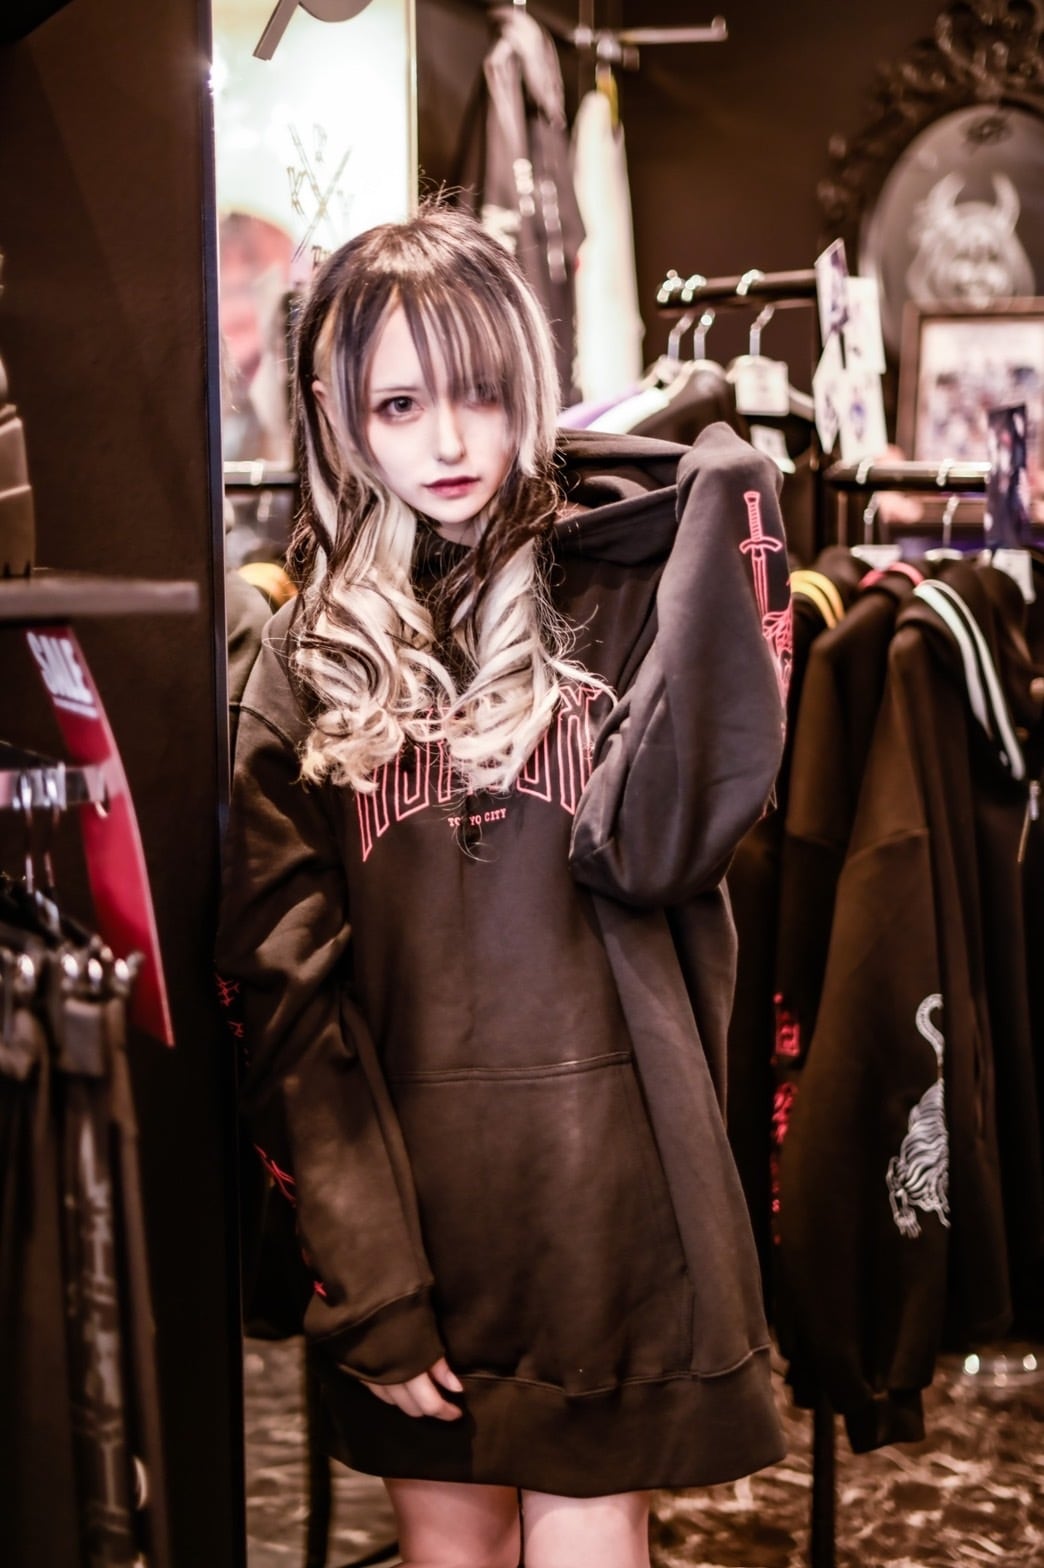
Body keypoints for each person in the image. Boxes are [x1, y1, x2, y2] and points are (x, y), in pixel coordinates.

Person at [216, 204, 789, 1568]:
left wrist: (734, 517)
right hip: (413, 1220)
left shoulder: (629, 588)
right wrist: (369, 1278)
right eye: (400, 404)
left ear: (530, 380)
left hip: (618, 1205)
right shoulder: (299, 662)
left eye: (479, 391)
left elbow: (669, 848)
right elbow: (287, 1004)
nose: (449, 443)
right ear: (337, 414)